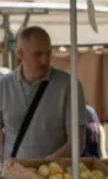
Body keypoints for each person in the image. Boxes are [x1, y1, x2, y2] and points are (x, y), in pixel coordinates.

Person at [0, 26, 87, 160]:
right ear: (20, 53)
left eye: (48, 53)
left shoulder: (69, 86)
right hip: (11, 175)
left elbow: (76, 142)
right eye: (38, 54)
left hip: (52, 176)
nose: (45, 60)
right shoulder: (4, 86)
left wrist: (44, 167)